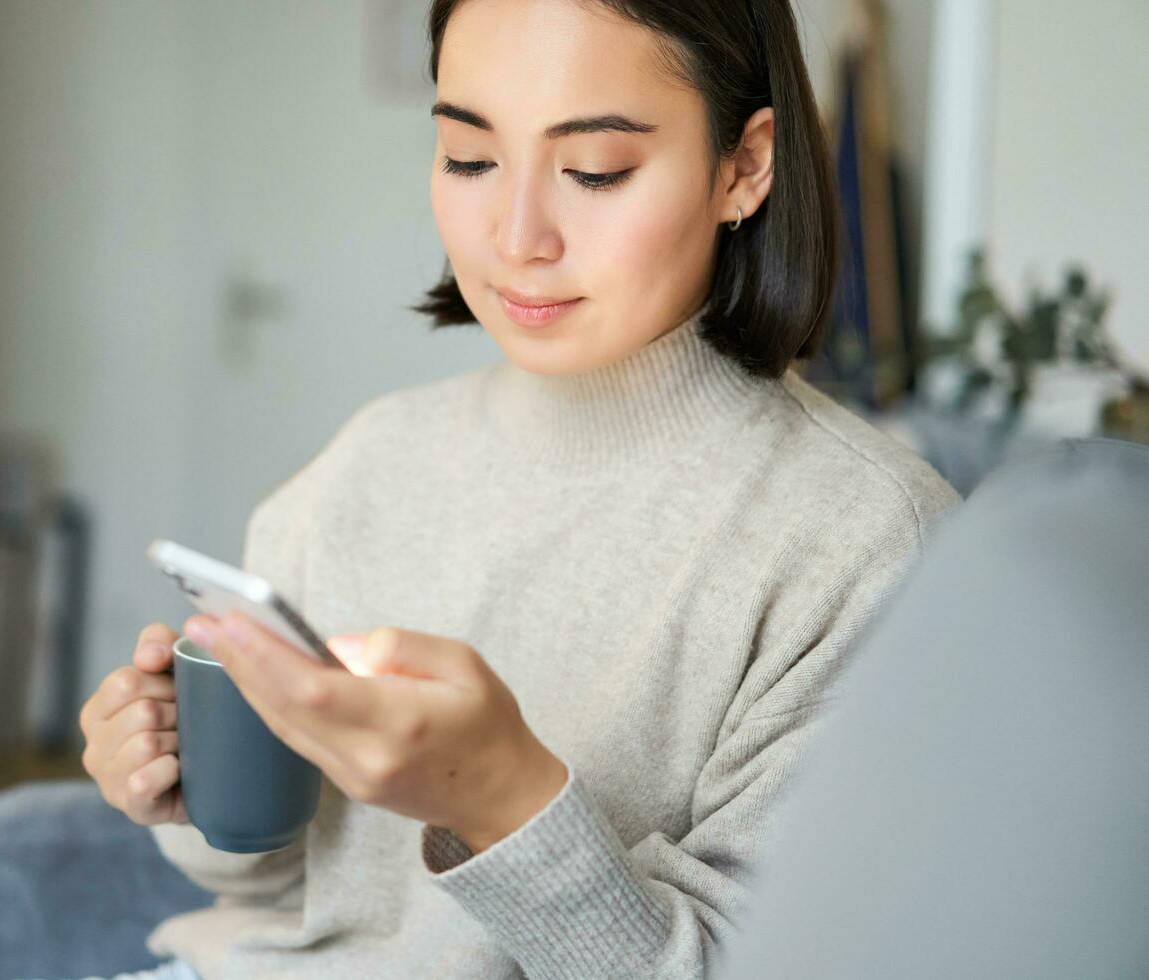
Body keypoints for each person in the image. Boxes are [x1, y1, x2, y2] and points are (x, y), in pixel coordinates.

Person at [74, 1, 960, 978]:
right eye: (468, 156)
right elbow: (298, 891)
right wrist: (189, 781)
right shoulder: (365, 467)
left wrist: (501, 797)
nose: (516, 233)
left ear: (745, 165)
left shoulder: (866, 541)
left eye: (595, 170)